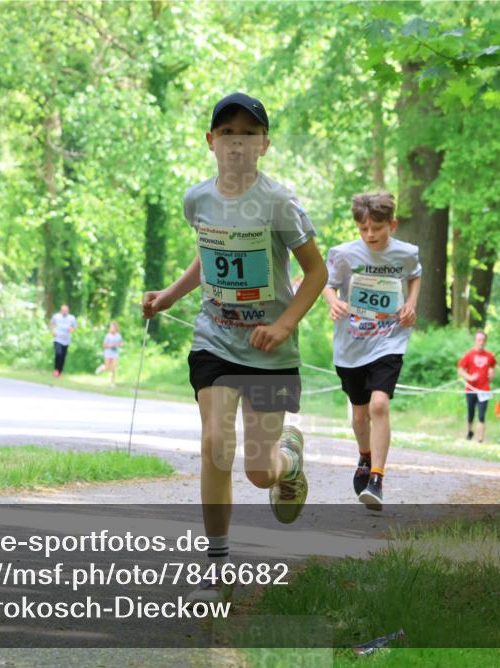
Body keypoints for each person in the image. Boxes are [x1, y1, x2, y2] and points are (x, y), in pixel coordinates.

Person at [142, 92, 326, 604]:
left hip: (269, 350)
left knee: (257, 470)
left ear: (264, 144)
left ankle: (289, 460)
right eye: (227, 133)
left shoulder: (279, 203)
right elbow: (209, 254)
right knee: (214, 445)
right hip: (215, 340)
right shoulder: (197, 200)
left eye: (248, 134)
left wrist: (287, 324)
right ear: (211, 141)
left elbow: (317, 271)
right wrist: (168, 296)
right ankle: (217, 563)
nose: (237, 143)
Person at [323, 191, 421, 510]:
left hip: (389, 339)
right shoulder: (344, 253)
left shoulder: (405, 253)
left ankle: (376, 478)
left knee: (379, 406)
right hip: (352, 343)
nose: (370, 235)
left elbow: (415, 275)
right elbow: (327, 282)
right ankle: (365, 456)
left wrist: (410, 305)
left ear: (392, 224)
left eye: (377, 229)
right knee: (360, 412)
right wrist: (333, 301)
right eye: (363, 229)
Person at [458, 331, 497, 442]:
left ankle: (480, 438)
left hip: (484, 389)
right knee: (471, 413)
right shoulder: (469, 355)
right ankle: (469, 432)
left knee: (481, 414)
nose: (481, 342)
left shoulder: (490, 356)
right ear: (475, 341)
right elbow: (460, 370)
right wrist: (469, 377)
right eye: (479, 340)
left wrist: (492, 374)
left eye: (483, 340)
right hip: (471, 389)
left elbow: (493, 367)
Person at [50, 304, 77, 377]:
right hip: (58, 339)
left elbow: (74, 327)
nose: (64, 312)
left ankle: (60, 371)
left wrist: (71, 329)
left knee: (63, 356)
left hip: (66, 340)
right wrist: (53, 331)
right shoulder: (56, 316)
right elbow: (52, 323)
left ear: (68, 311)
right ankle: (56, 370)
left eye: (66, 310)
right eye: (63, 310)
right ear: (60, 310)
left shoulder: (72, 318)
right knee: (58, 354)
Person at [100, 321, 124, 386]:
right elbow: (104, 345)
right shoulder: (108, 336)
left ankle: (112, 382)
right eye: (111, 327)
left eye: (113, 327)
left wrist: (117, 344)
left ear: (116, 328)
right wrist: (110, 345)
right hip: (108, 353)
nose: (111, 328)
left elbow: (121, 343)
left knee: (113, 368)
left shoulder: (118, 335)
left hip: (115, 353)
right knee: (107, 367)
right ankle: (102, 368)